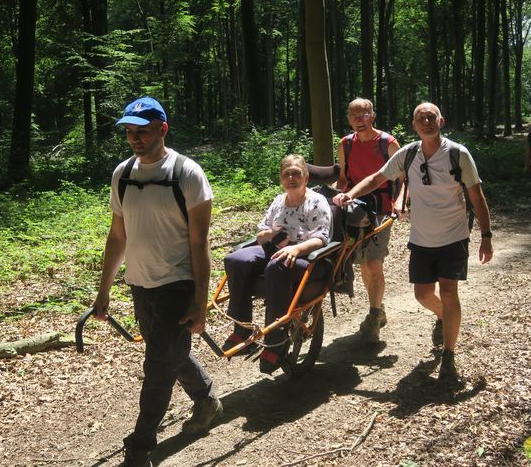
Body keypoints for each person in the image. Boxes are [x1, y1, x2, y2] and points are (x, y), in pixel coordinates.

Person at [92, 96, 222, 467]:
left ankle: (140, 448)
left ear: (162, 129)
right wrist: (104, 291)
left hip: (178, 284)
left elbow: (200, 242)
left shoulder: (187, 174)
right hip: (140, 285)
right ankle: (207, 399)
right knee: (168, 353)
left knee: (157, 368)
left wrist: (200, 302)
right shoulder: (123, 175)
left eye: (143, 131)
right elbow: (118, 236)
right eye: (130, 132)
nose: (135, 138)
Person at [335, 102, 493, 388]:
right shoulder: (408, 153)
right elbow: (376, 178)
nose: (427, 121)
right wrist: (350, 194)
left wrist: (486, 235)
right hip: (421, 238)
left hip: (454, 236)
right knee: (422, 295)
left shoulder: (458, 154)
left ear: (441, 121)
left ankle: (448, 355)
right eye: (421, 118)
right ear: (414, 125)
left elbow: (476, 195)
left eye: (431, 117)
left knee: (448, 290)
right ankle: (446, 319)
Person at [221, 155, 331, 374]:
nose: (291, 178)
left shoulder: (316, 201)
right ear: (281, 178)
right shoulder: (279, 201)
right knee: (235, 260)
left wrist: (295, 248)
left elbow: (322, 237)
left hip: (309, 256)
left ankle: (276, 340)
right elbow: (261, 234)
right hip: (274, 250)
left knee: (276, 266)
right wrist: (271, 234)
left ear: (306, 177)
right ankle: (242, 330)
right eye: (286, 174)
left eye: (296, 173)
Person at [332, 98, 402, 343]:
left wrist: (401, 202)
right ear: (348, 118)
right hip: (354, 209)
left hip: (381, 208)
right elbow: (343, 178)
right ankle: (378, 308)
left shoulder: (388, 143)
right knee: (362, 264)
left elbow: (405, 177)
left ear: (373, 116)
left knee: (373, 264)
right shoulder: (345, 144)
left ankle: (373, 316)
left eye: (364, 115)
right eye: (354, 116)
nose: (359, 120)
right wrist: (334, 193)